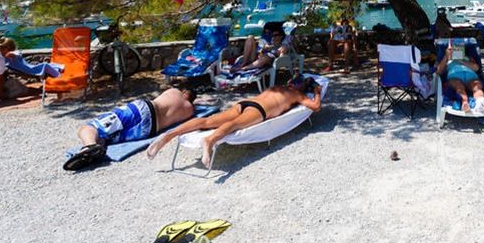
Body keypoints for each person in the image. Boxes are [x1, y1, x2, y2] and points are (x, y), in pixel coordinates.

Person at [146, 75, 322, 168]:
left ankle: (169, 136)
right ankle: (209, 140)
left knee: (207, 121)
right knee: (236, 124)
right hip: (259, 111)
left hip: (244, 103)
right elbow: (315, 107)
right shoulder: (298, 95)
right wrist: (317, 91)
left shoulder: (277, 87)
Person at [63, 86, 197, 171]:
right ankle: (96, 149)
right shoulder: (190, 110)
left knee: (90, 127)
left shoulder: (174, 91)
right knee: (109, 137)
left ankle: (89, 146)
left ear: (184, 91)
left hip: (141, 110)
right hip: (147, 131)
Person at [436, 42, 484, 114]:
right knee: (459, 87)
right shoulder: (447, 60)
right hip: (454, 76)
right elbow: (439, 71)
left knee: (477, 87)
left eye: (459, 49)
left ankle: (480, 102)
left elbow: (476, 68)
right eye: (453, 49)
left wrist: (461, 60)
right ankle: (464, 103)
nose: (456, 50)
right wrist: (446, 56)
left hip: (471, 76)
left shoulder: (468, 58)